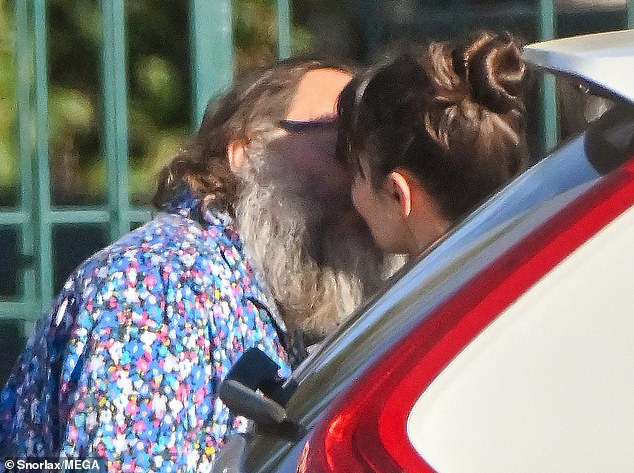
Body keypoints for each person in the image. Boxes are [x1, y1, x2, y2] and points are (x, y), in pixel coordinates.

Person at [0, 58, 393, 472]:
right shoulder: (160, 286)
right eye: (340, 139)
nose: (359, 170)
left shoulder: (250, 293)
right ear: (244, 152)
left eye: (369, 147)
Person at [337, 32, 531, 255]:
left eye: (357, 174)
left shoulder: (448, 289)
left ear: (397, 193)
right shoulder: (550, 266)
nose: (352, 197)